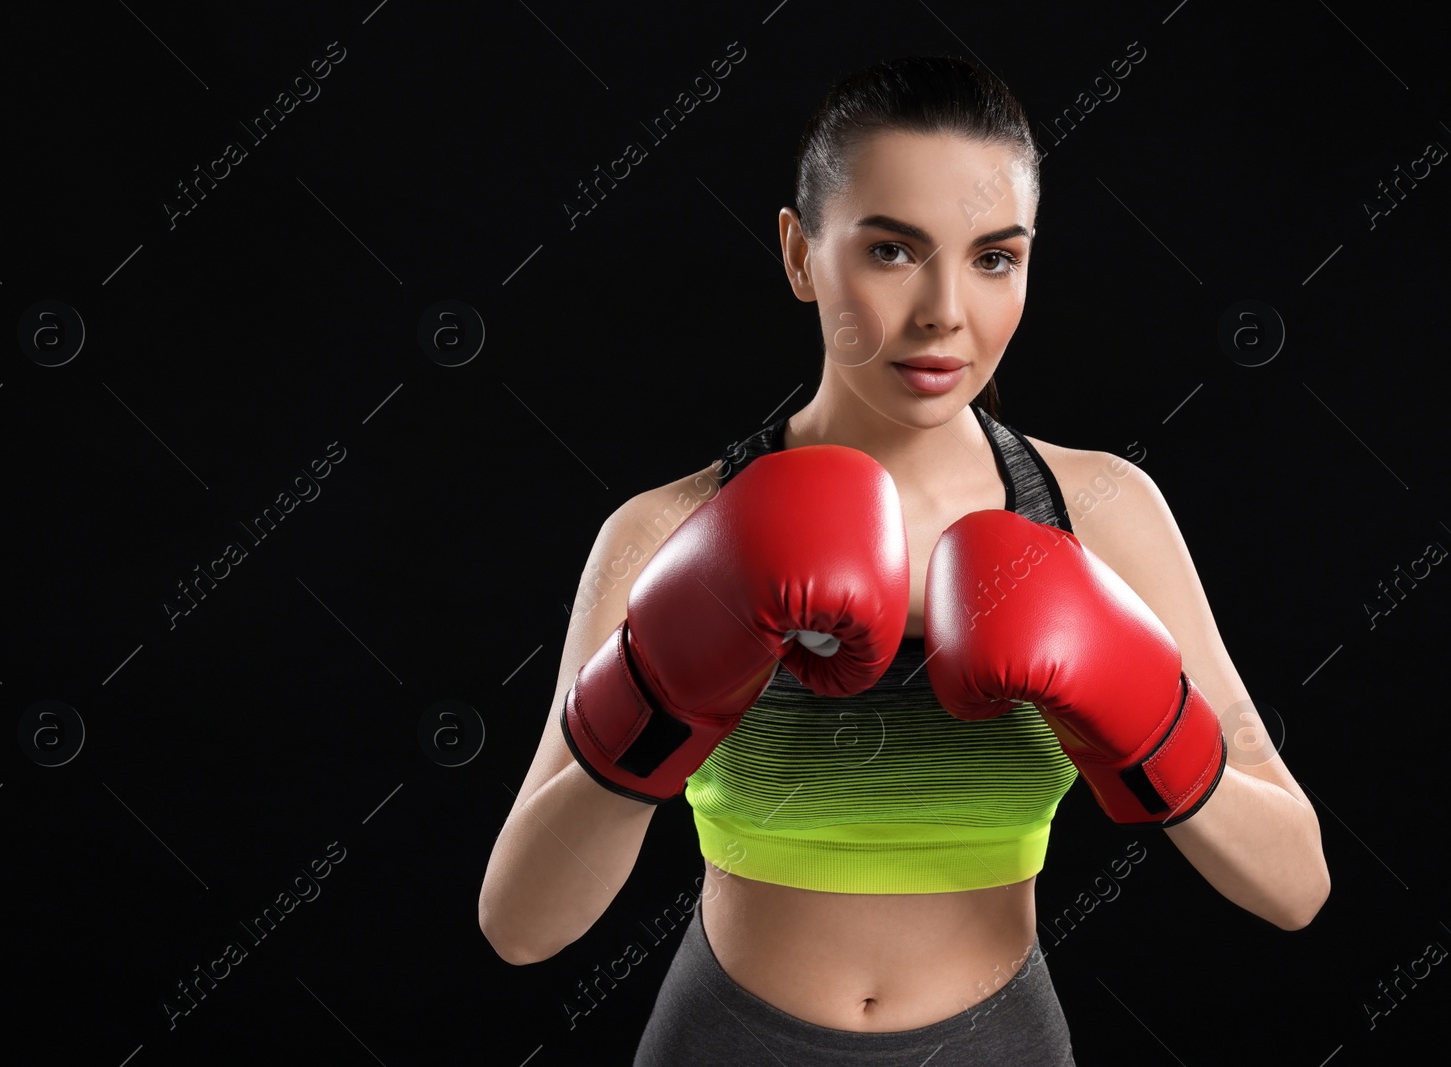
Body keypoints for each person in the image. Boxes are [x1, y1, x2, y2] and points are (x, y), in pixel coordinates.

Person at [479, 54, 1330, 1065]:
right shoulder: (667, 526)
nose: (943, 312)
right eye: (891, 250)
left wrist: (1147, 729)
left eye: (993, 257)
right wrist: (658, 692)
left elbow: (1295, 885)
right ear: (800, 254)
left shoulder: (1098, 511)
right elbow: (521, 924)